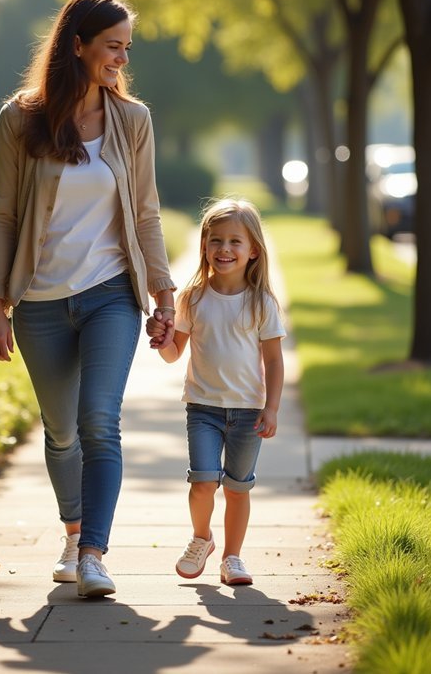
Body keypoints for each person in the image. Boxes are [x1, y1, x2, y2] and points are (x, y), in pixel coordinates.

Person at [0, 0, 176, 599]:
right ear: (78, 45)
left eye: (126, 47)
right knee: (60, 430)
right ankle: (73, 534)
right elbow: (4, 216)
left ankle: (94, 554)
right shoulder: (20, 119)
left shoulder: (132, 121)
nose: (121, 57)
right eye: (112, 45)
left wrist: (164, 296)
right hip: (38, 301)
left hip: (110, 294)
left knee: (99, 422)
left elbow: (145, 215)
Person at [146, 198, 285, 585]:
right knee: (203, 481)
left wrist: (271, 409)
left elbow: (274, 361)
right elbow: (175, 354)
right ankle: (201, 538)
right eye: (216, 241)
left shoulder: (262, 303)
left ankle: (233, 557)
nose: (224, 249)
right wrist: (162, 340)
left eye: (235, 242)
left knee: (238, 488)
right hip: (203, 408)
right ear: (204, 245)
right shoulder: (193, 298)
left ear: (253, 249)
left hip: (247, 412)